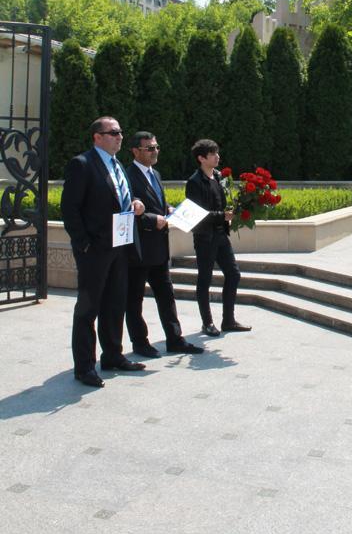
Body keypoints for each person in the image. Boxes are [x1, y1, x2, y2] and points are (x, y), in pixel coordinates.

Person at [61, 116, 146, 388]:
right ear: (97, 137)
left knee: (115, 304)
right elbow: (70, 209)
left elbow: (120, 197)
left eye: (120, 132)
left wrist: (135, 202)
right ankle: (84, 367)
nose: (120, 136)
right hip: (94, 250)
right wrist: (84, 244)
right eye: (113, 132)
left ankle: (112, 355)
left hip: (120, 246)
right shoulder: (82, 164)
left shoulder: (118, 164)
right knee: (88, 309)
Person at [125, 131, 203, 357]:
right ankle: (140, 343)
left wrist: (168, 209)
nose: (155, 151)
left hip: (159, 248)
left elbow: (156, 203)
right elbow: (127, 210)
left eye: (157, 147)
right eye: (150, 148)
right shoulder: (128, 176)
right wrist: (153, 219)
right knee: (134, 300)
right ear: (135, 151)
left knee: (166, 296)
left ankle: (175, 339)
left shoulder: (155, 174)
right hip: (139, 250)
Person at [185, 139, 251, 336]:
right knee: (205, 279)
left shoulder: (219, 176)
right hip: (205, 237)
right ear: (201, 158)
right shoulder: (194, 182)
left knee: (234, 274)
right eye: (212, 154)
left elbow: (222, 203)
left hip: (221, 234)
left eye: (217, 153)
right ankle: (207, 323)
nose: (217, 157)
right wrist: (223, 216)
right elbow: (196, 215)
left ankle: (228, 320)